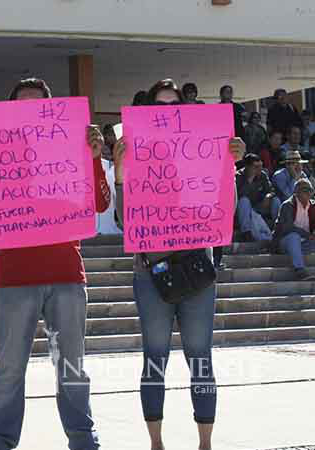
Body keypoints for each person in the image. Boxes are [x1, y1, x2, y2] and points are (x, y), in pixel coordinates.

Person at [0, 77, 110, 450]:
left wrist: (94, 159)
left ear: (50, 109)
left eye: (36, 104)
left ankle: (83, 437)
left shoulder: (72, 148)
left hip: (65, 274)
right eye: (21, 105)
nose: (28, 111)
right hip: (14, 278)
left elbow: (100, 204)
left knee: (72, 367)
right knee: (10, 369)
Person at [112, 78, 245, 450]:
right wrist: (121, 174)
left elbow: (226, 210)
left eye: (174, 105)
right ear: (148, 111)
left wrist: (229, 167)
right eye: (160, 106)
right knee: (154, 356)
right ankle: (156, 443)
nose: (167, 111)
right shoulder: (137, 154)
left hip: (197, 270)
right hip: (150, 271)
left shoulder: (201, 150)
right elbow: (125, 219)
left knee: (200, 357)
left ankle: (205, 443)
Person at [274, 178, 315, 280]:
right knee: (294, 236)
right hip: (285, 243)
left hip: (304, 244)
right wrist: (307, 235)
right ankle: (300, 270)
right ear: (297, 192)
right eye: (305, 190)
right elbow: (288, 228)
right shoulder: (288, 205)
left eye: (310, 190)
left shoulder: (313, 205)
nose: (308, 193)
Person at [235, 153, 277, 243]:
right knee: (244, 201)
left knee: (276, 201)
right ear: (247, 167)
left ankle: (278, 228)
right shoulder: (238, 176)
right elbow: (238, 195)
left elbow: (272, 190)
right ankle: (246, 233)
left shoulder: (263, 175)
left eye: (261, 166)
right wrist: (250, 178)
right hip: (243, 210)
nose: (259, 169)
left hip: (258, 207)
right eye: (256, 166)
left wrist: (268, 196)